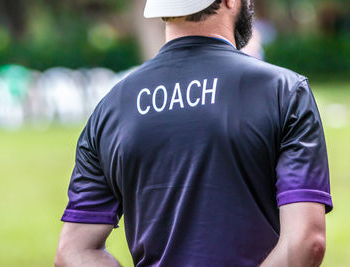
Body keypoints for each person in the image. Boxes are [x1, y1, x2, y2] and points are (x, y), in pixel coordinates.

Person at [55, 0, 333, 266]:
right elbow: (307, 241)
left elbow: (74, 250)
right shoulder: (283, 92)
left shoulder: (111, 108)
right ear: (229, 0)